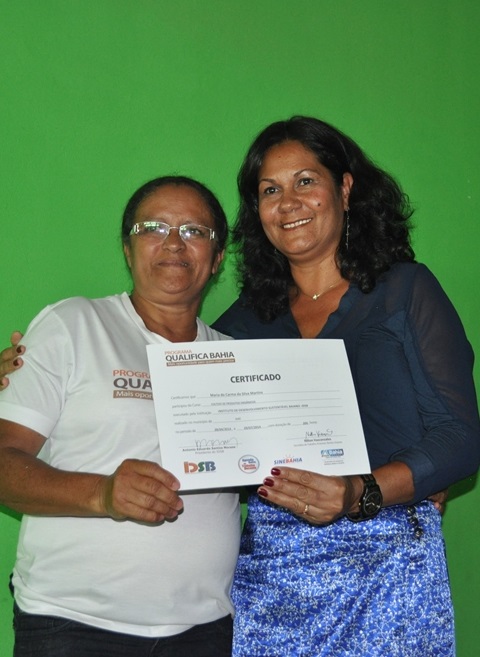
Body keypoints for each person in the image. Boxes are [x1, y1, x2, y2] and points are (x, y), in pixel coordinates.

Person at [211, 116, 480, 656]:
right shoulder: (239, 326)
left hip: (390, 570)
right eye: (270, 190)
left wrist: (364, 491)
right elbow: (202, 440)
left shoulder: (405, 290)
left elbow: (460, 438)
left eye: (305, 181)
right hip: (273, 584)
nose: (288, 202)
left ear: (346, 188)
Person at [0, 175, 241, 657]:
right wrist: (103, 493)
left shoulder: (236, 359)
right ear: (128, 249)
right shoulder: (74, 325)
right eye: (153, 227)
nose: (174, 243)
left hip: (203, 630)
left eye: (195, 231)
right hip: (73, 625)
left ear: (216, 258)